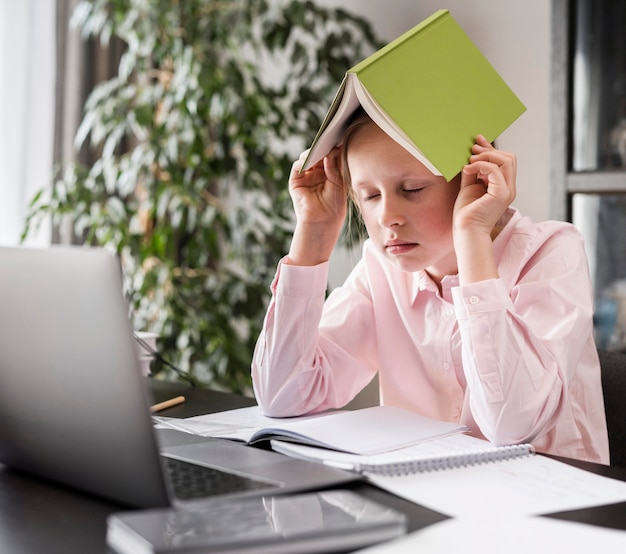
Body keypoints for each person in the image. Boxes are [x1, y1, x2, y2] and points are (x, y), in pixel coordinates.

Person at [251, 109, 609, 464]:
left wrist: (472, 236)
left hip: (546, 504)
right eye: (370, 196)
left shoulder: (551, 254)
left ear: (474, 180)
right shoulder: (382, 268)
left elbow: (512, 426)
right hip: (425, 495)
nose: (387, 216)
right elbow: (283, 396)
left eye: (412, 189)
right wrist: (313, 233)